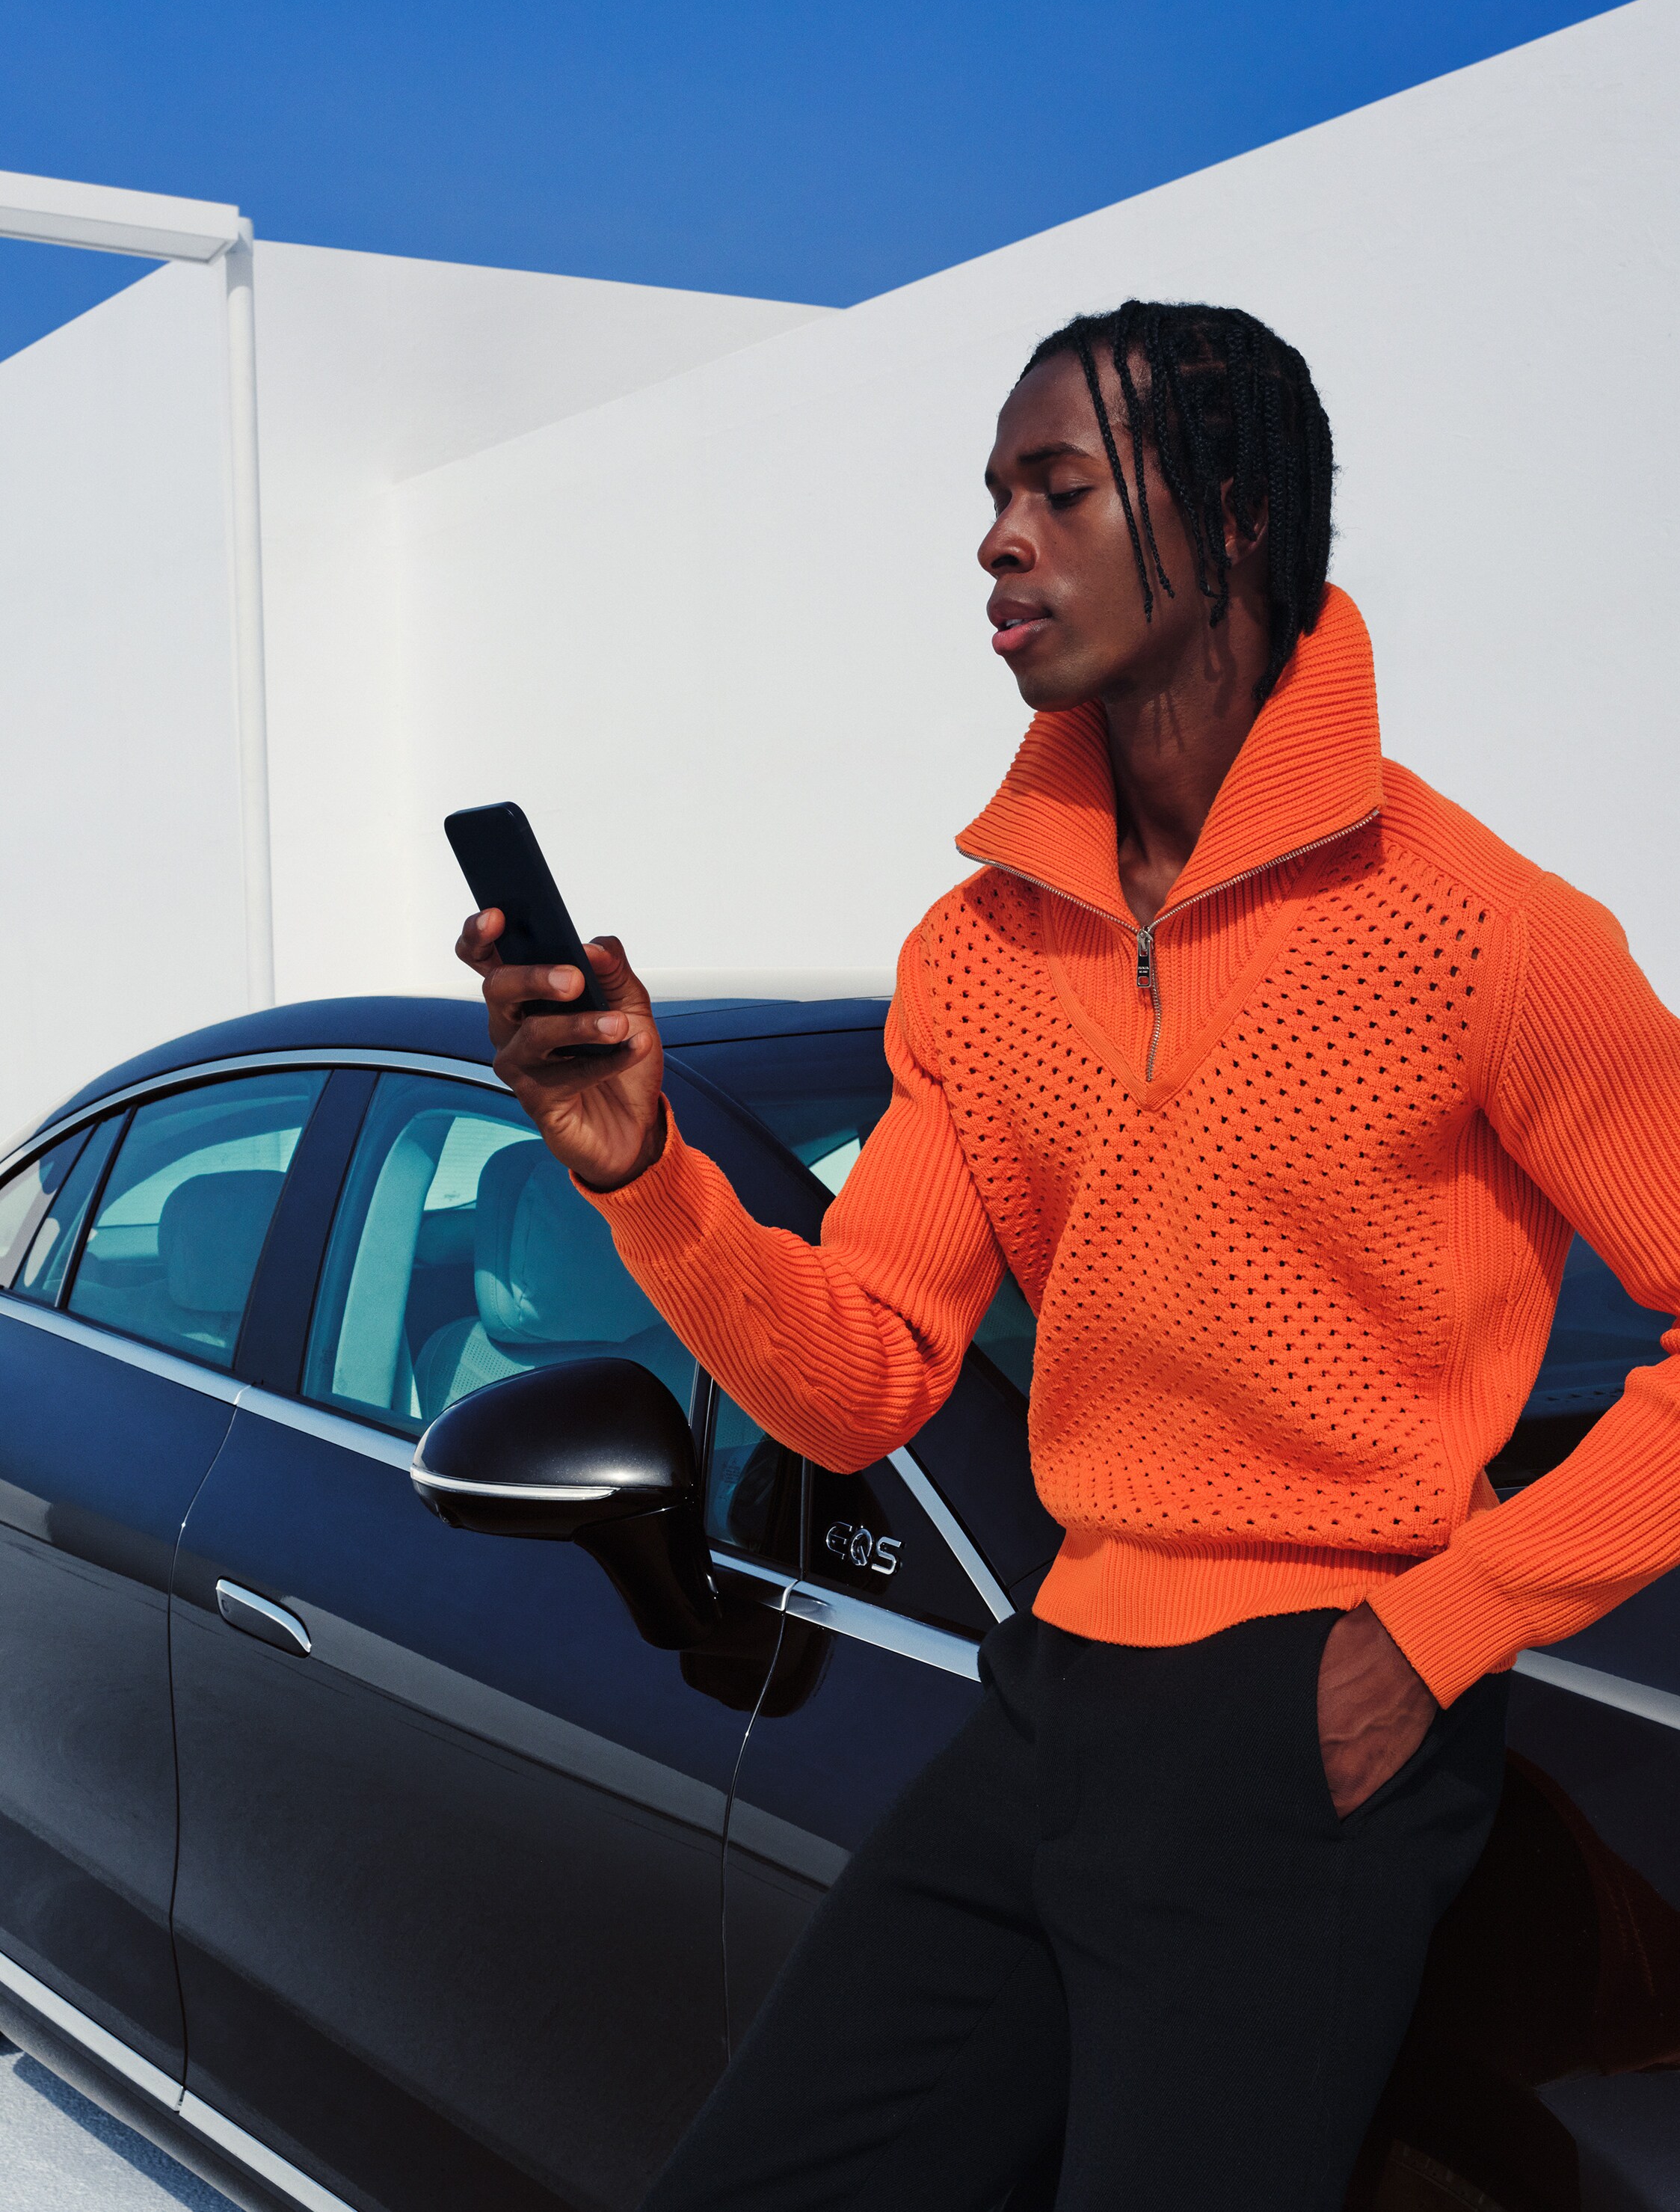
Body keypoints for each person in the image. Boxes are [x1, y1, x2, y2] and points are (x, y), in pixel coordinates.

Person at [457, 301, 1680, 2211]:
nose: (996, 539)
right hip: (1053, 1693)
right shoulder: (976, 953)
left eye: (1057, 487)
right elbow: (858, 1377)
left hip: (1321, 1714)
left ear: (1233, 520)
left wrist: (1445, 1627)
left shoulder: (1484, 932)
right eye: (991, 495)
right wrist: (648, 1174)